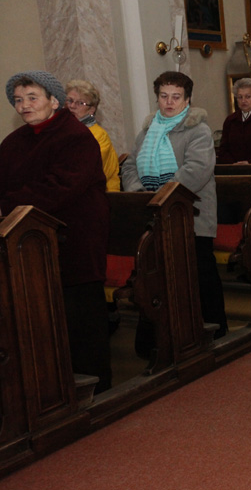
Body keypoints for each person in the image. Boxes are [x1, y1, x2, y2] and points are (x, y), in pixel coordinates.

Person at [1, 71, 111, 392]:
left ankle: (97, 389)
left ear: (53, 101)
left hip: (74, 241)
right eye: (18, 100)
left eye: (32, 98)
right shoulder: (13, 142)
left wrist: (6, 206)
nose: (24, 105)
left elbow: (60, 188)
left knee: (81, 319)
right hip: (29, 245)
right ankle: (52, 386)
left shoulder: (74, 136)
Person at [121, 71, 227, 338]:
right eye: (164, 96)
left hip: (194, 216)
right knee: (159, 277)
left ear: (187, 99)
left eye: (176, 97)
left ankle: (216, 329)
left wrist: (163, 195)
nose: (169, 102)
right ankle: (167, 334)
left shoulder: (197, 130)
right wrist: (139, 191)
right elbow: (131, 165)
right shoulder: (147, 131)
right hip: (154, 212)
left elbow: (198, 170)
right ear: (157, 98)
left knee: (201, 275)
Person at [64, 80, 120, 192]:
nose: (72, 106)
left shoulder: (99, 135)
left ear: (91, 110)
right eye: (69, 101)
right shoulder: (60, 131)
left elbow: (84, 170)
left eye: (80, 103)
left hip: (101, 194)